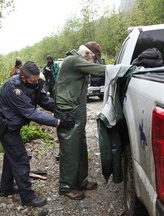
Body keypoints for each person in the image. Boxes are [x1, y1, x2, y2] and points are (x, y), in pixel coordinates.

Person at [0, 61, 74, 207]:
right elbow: (31, 113)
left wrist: (59, 110)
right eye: (33, 81)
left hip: (12, 124)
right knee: (20, 158)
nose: (36, 83)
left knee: (11, 156)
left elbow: (43, 100)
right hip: (5, 126)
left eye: (37, 80)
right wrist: (58, 122)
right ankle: (28, 197)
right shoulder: (14, 88)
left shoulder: (34, 83)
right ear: (23, 78)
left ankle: (6, 188)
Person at [54, 41, 107, 200]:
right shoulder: (74, 60)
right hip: (67, 111)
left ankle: (81, 181)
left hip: (76, 109)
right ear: (87, 54)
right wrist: (119, 69)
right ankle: (66, 187)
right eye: (93, 58)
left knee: (80, 146)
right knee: (70, 149)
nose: (93, 62)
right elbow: (99, 70)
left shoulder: (78, 61)